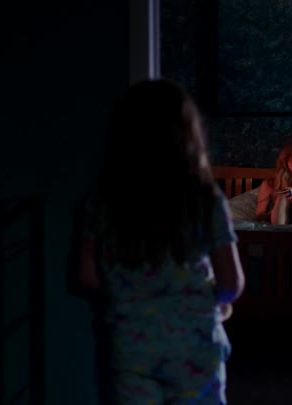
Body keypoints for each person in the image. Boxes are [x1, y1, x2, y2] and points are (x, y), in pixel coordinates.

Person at [67, 79, 245, 404]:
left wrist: (131, 294)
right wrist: (213, 300)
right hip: (195, 346)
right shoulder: (204, 199)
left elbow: (87, 276)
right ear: (188, 136)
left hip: (132, 345)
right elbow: (231, 283)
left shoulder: (103, 201)